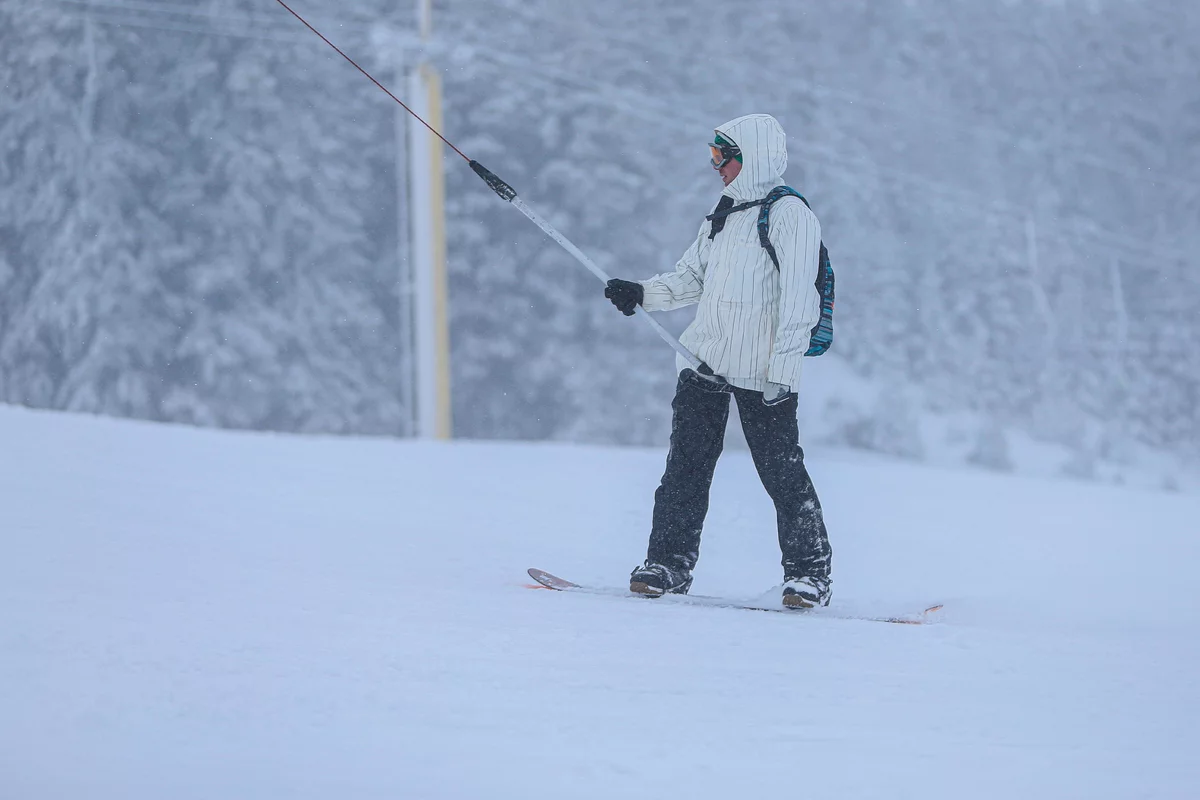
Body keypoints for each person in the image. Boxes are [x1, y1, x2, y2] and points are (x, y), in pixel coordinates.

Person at [603, 113, 833, 608]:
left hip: (765, 372)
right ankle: (667, 565)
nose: (715, 167)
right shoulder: (725, 210)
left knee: (782, 474)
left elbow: (800, 302)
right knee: (685, 469)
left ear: (749, 158)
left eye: (720, 157)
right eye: (712, 156)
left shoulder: (792, 216)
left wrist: (784, 373)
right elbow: (691, 278)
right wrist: (642, 292)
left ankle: (810, 575)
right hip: (705, 361)